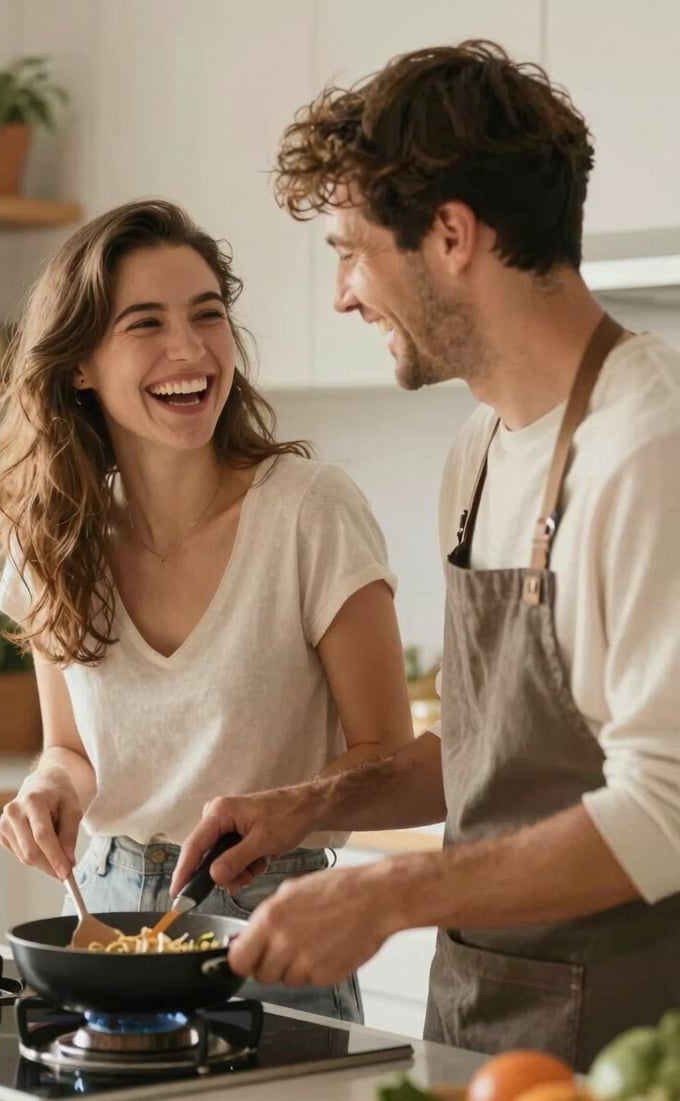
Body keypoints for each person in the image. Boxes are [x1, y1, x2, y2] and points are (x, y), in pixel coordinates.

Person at [172, 41, 680, 1067]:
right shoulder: (479, 454)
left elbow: (665, 814)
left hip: (630, 1050)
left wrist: (389, 890)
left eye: (354, 252)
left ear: (451, 235)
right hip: (479, 1028)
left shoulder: (647, 449)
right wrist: (306, 809)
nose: (344, 297)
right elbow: (493, 759)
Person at [0, 198, 416, 1022]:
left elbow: (386, 752)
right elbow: (69, 748)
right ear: (79, 366)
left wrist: (284, 810)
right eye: (145, 323)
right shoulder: (55, 536)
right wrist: (47, 788)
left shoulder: (309, 512)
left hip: (273, 920)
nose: (189, 350)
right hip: (103, 923)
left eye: (207, 315)